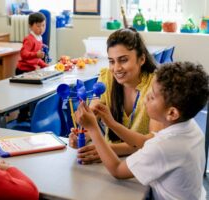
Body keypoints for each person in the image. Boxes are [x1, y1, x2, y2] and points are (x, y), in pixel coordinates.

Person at [75, 62, 209, 199]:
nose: (146, 97)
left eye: (152, 97)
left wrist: (93, 129)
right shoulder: (190, 126)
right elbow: (145, 141)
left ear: (172, 113)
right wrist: (112, 123)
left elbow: (118, 170)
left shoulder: (162, 147)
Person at [69, 28, 163, 164]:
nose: (116, 68)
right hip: (109, 163)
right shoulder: (106, 77)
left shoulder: (156, 85)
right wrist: (84, 135)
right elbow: (92, 120)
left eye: (123, 60)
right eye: (112, 61)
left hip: (144, 163)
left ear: (141, 59)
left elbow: (153, 142)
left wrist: (105, 149)